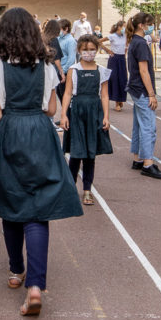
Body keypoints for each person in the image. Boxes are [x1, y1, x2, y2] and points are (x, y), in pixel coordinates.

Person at [0, 7, 82, 317]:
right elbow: (51, 108)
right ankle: (35, 285)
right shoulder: (46, 64)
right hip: (39, 132)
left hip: (9, 131)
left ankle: (15, 270)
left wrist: (0, 114)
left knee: (12, 202)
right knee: (38, 208)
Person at [61, 32, 112, 204]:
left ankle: (87, 190)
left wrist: (106, 116)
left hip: (94, 113)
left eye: (92, 49)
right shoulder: (73, 70)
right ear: (79, 50)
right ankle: (69, 188)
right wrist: (63, 115)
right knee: (76, 153)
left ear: (97, 50)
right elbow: (67, 93)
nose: (89, 52)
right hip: (77, 113)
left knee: (90, 154)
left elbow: (104, 96)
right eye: (85, 49)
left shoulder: (102, 71)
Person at [126, 12, 161, 180]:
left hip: (135, 88)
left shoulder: (134, 41)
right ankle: (148, 163)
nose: (152, 28)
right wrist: (151, 94)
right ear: (142, 25)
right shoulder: (141, 44)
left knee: (138, 124)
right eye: (150, 24)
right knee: (148, 127)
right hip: (141, 89)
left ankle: (138, 158)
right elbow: (144, 70)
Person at [104, 20, 127, 111]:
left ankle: (121, 98)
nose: (125, 29)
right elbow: (98, 41)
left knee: (123, 79)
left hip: (122, 59)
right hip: (114, 59)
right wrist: (108, 50)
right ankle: (116, 102)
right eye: (123, 26)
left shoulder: (125, 36)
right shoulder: (112, 36)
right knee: (114, 79)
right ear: (119, 27)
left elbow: (126, 46)